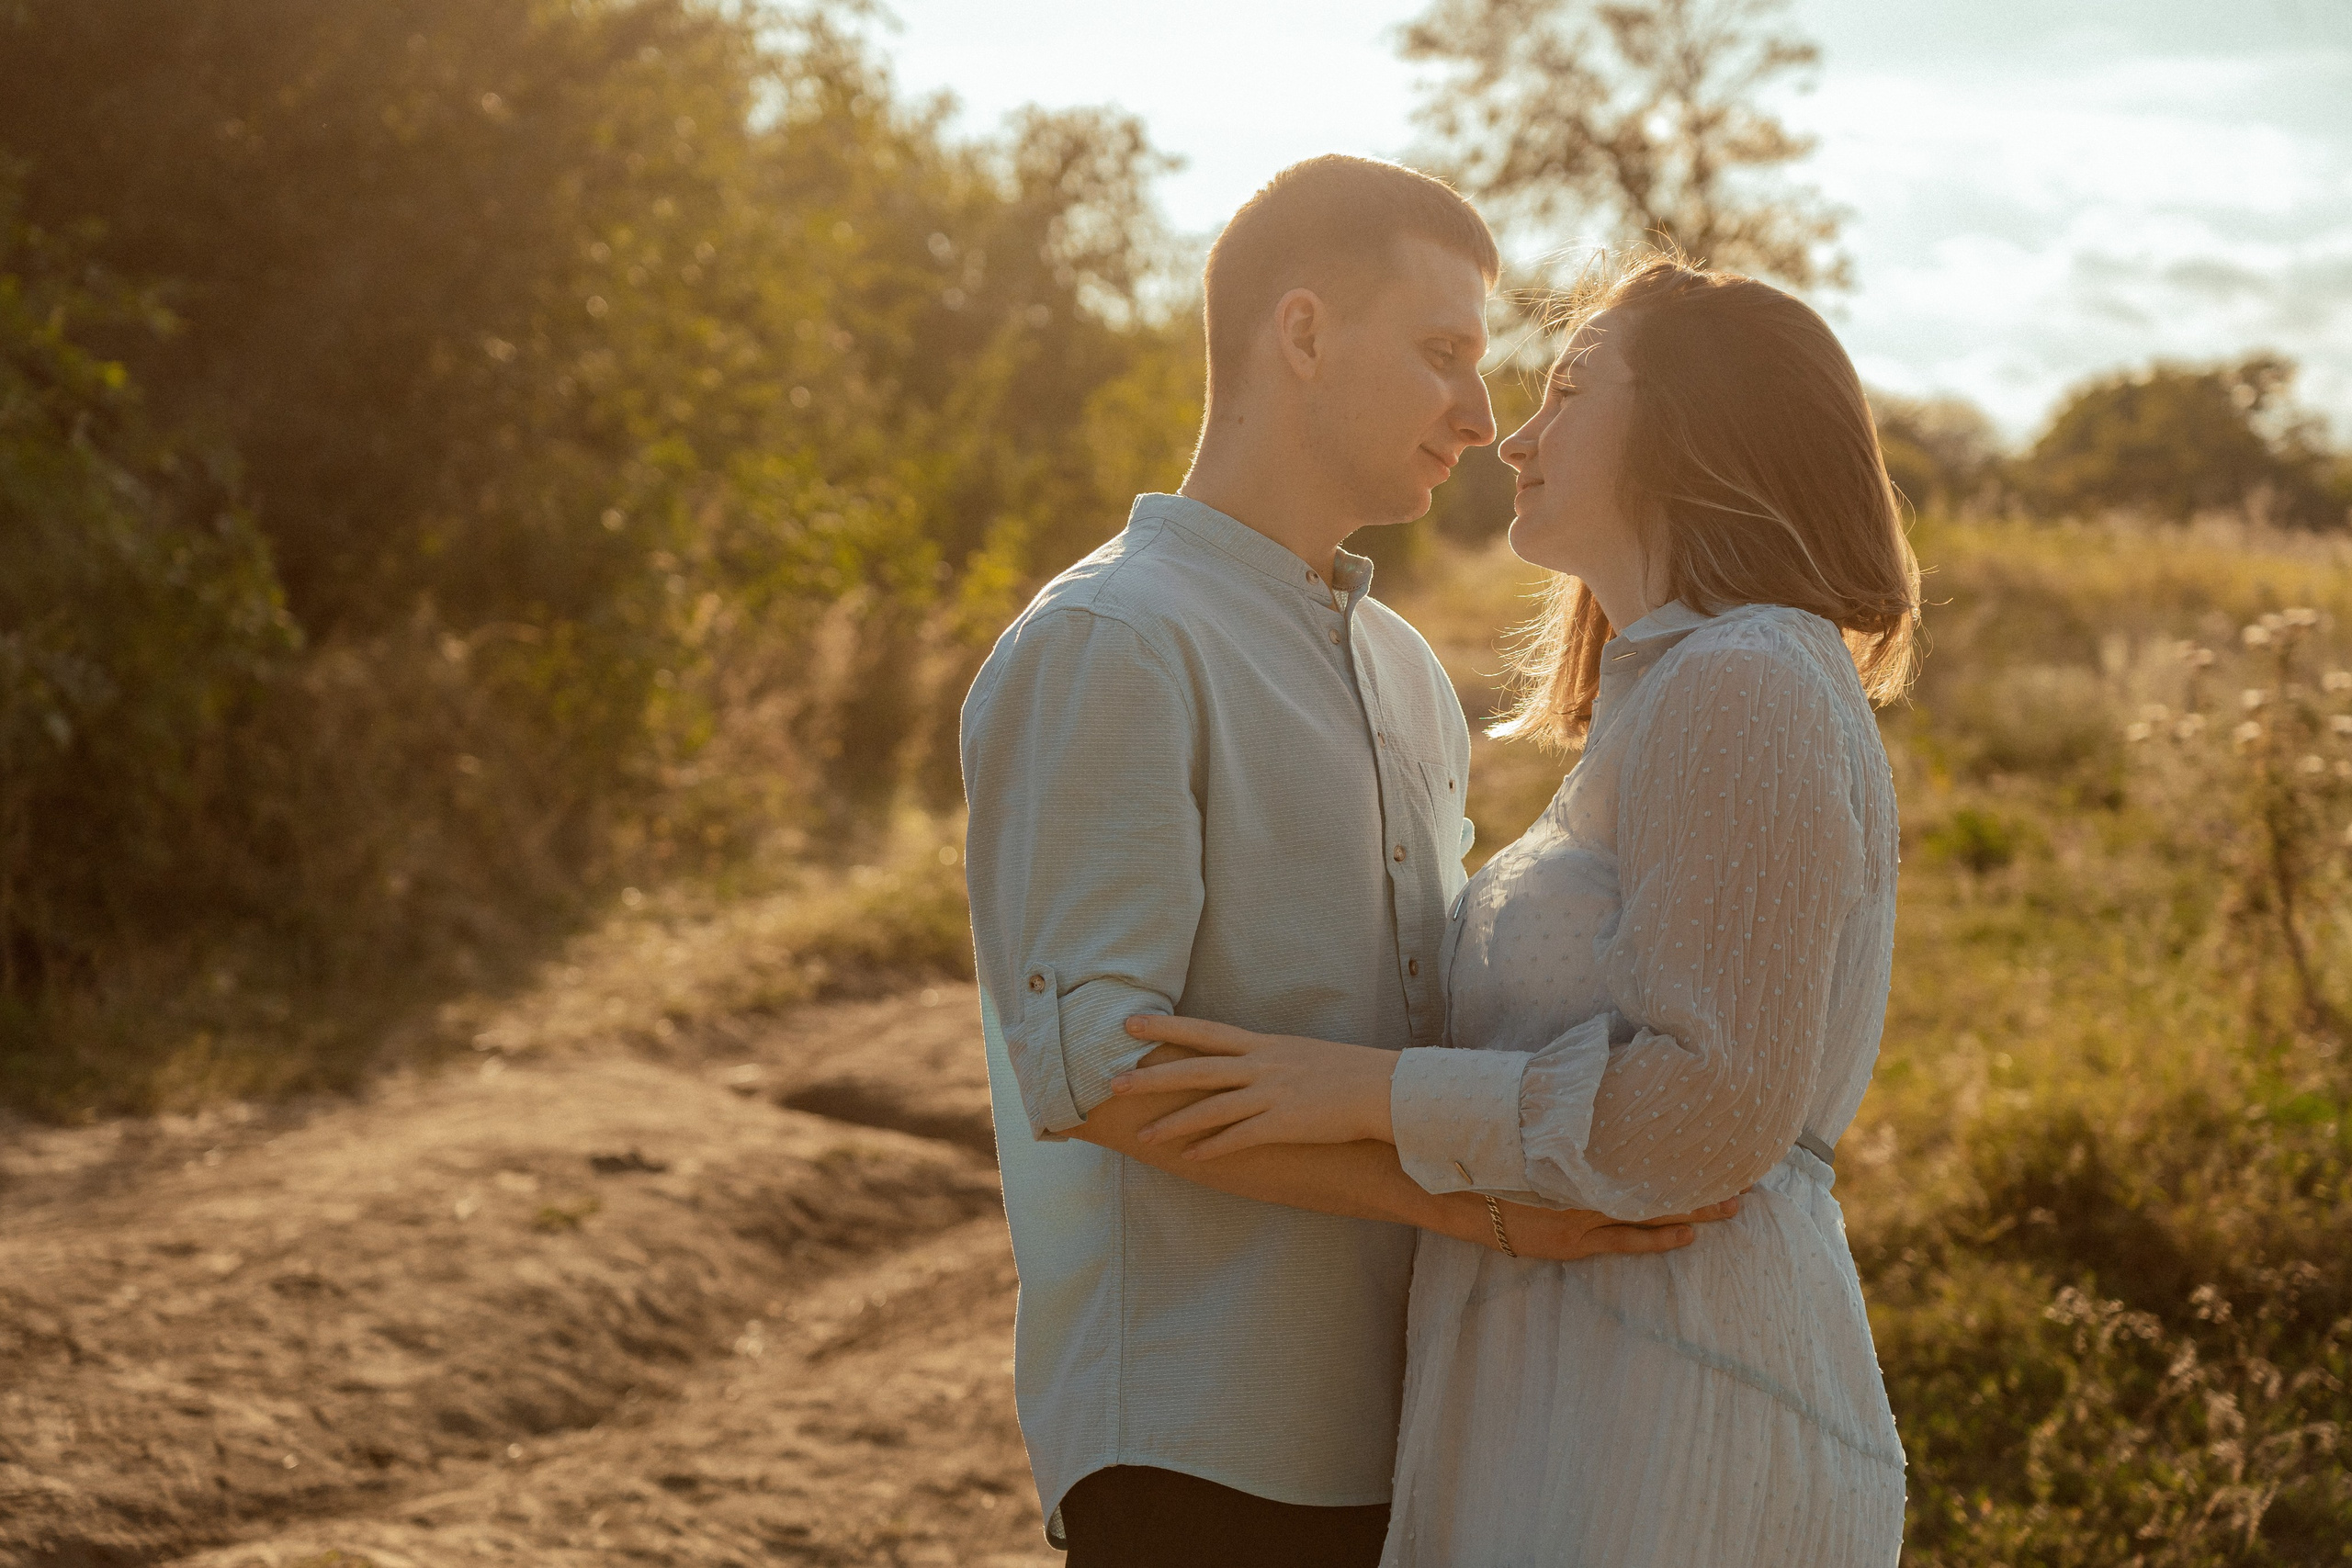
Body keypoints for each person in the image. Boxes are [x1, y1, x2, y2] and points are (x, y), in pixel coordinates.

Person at [960, 161, 1736, 1567]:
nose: (1482, 415)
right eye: (1444, 354)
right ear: (1302, 334)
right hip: (1203, 1457)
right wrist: (1468, 1206)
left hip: (1427, 1427)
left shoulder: (1404, 670)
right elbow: (1100, 1070)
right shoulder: (1116, 640)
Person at [1118, 255, 1922, 1565]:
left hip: (1674, 1385)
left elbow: (1710, 1111)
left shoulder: (1747, 679)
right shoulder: (1676, 694)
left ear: (1693, 427)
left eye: (1566, 388)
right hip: (1584, 1370)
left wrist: (1364, 1094)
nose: (1514, 434)